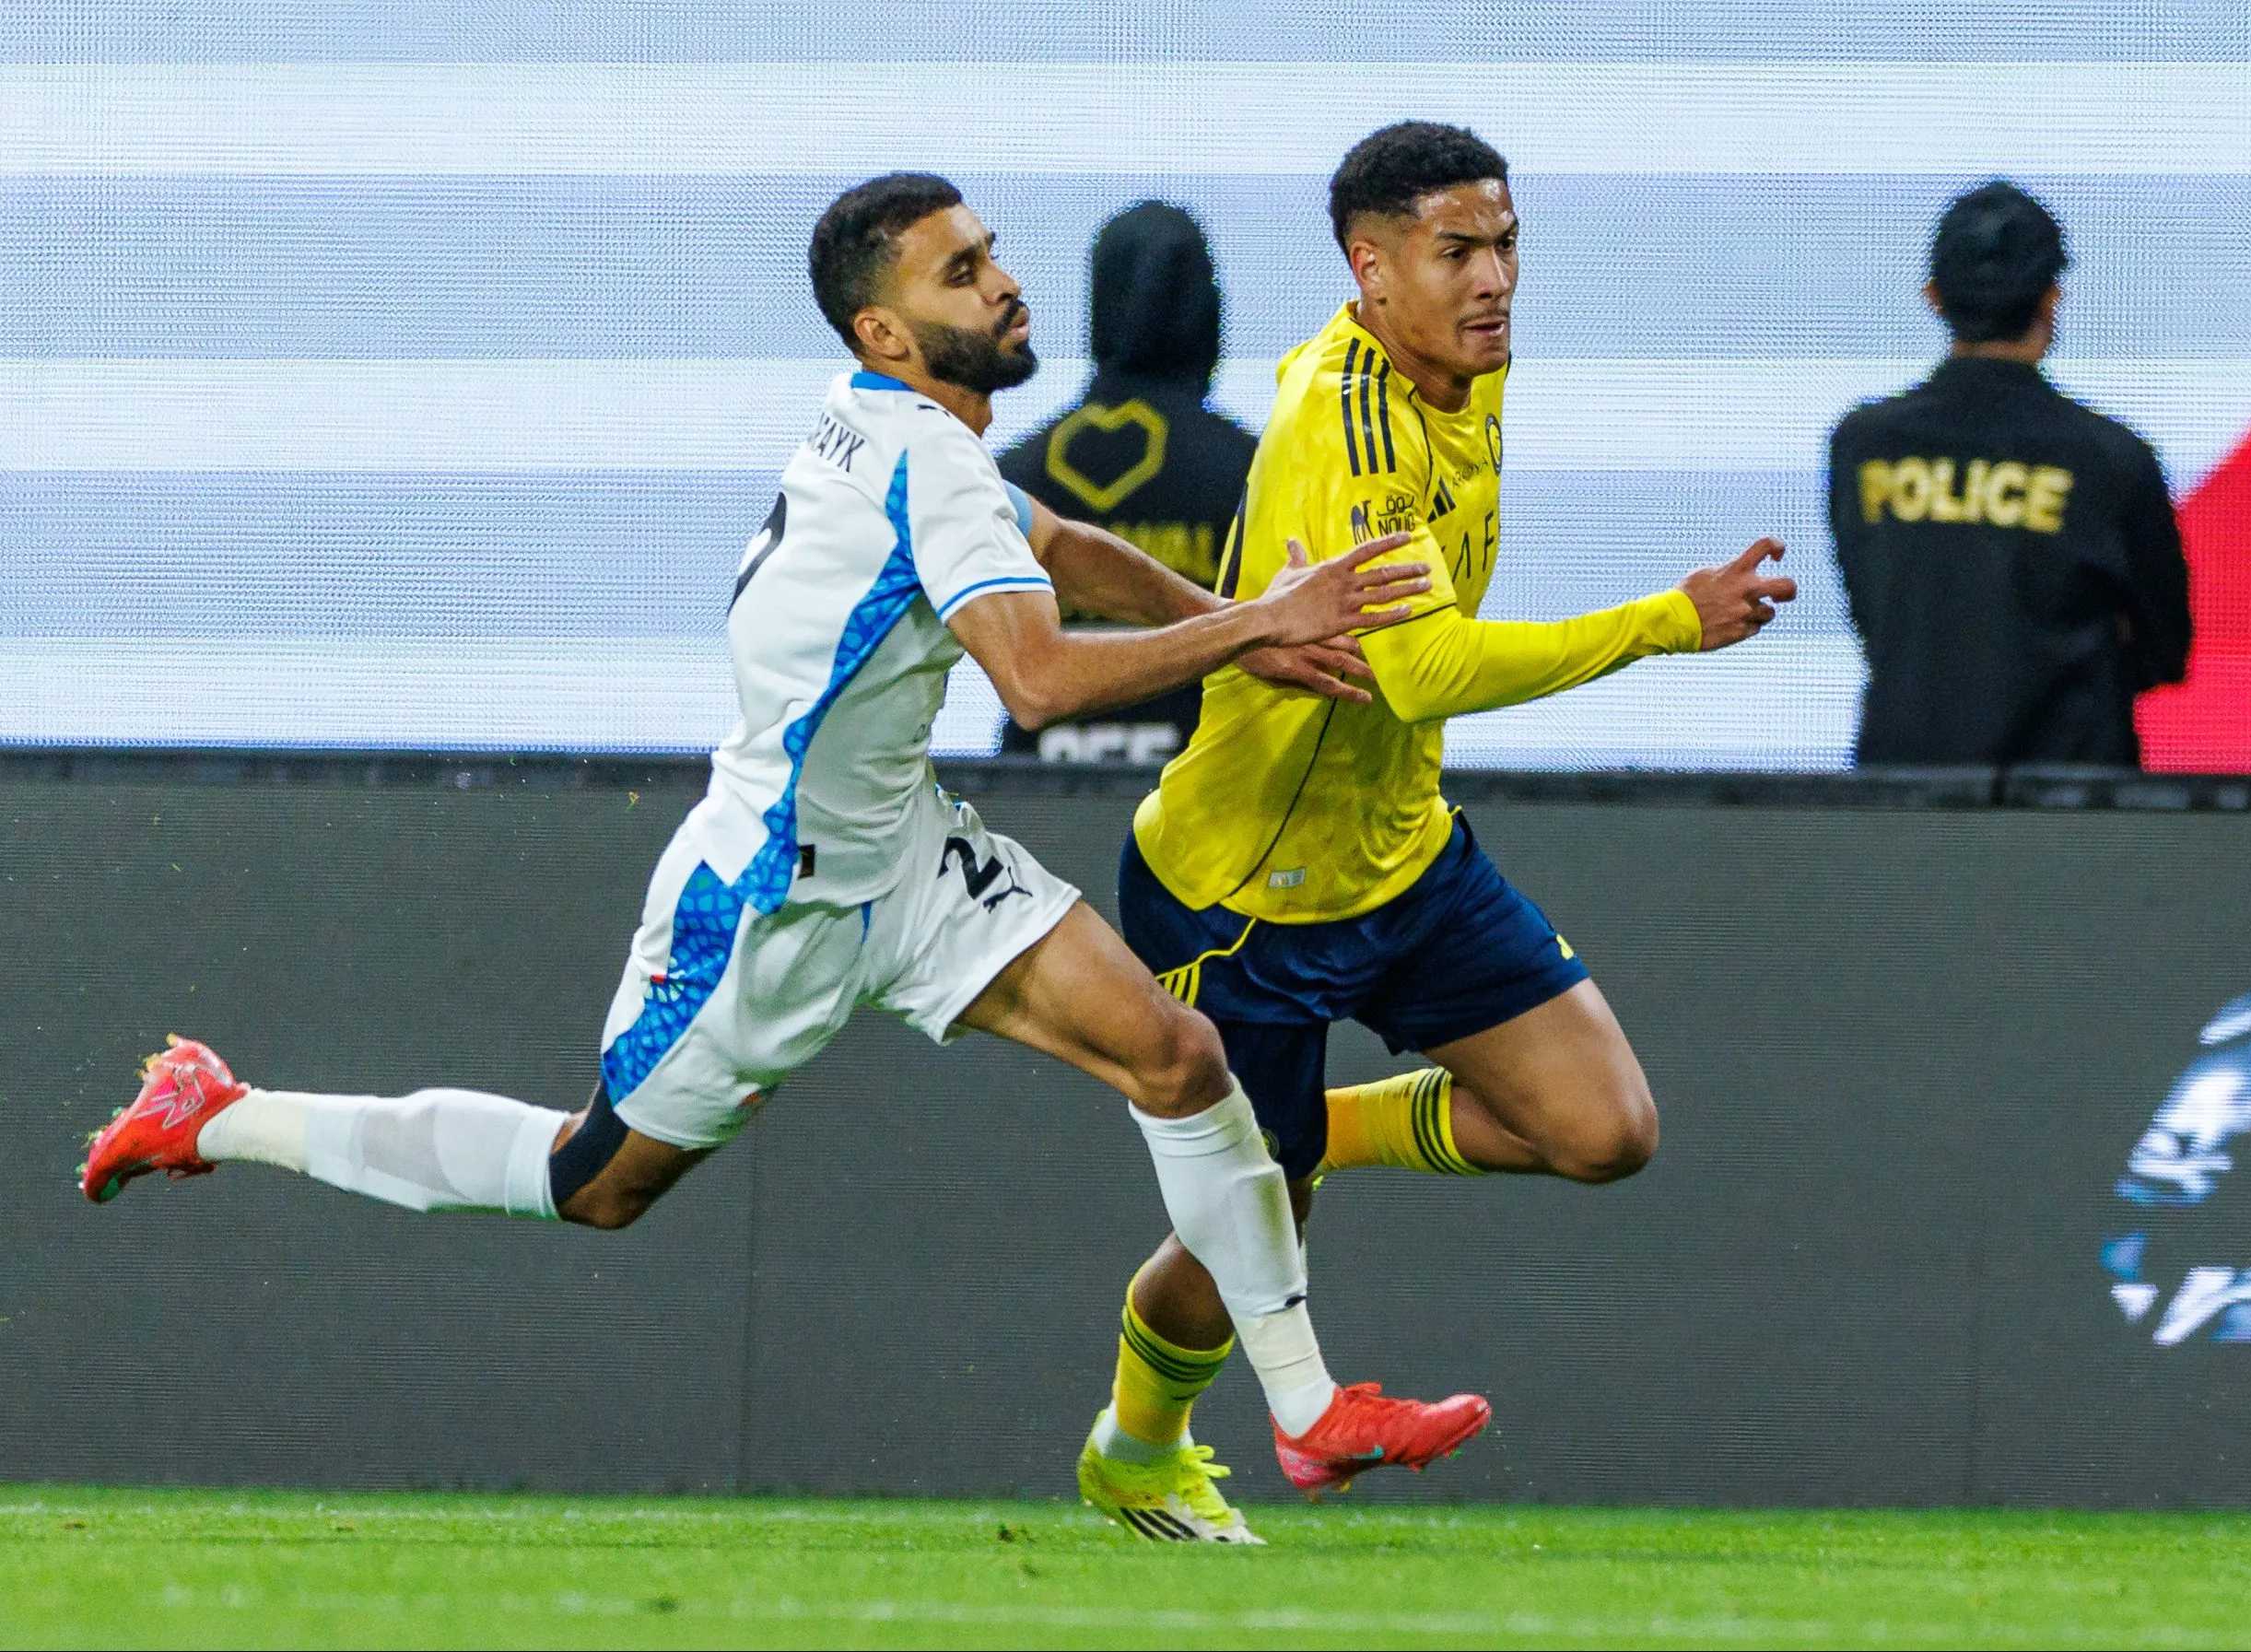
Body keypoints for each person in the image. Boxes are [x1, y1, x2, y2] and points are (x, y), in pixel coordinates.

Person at [76, 170, 1490, 1547]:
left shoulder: (890, 424)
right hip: (771, 896)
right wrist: (1258, 623)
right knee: (594, 1180)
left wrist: (1236, 623)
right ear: (883, 330)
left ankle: (1303, 1410)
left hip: (909, 855)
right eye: (961, 273)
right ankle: (220, 1113)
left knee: (1179, 1059)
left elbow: (1053, 537)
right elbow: (1042, 679)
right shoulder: (926, 458)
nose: (1004, 285)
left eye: (991, 254)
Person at [1073, 122, 1798, 1537]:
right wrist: (1665, 621)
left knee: (1604, 1129)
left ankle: (1313, 1136)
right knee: (1238, 1239)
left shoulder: (1464, 372)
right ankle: (1137, 1446)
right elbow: (1418, 668)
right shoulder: (1344, 421)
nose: (1495, 280)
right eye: (1457, 251)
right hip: (1245, 892)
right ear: (1372, 267)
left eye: (1506, 245)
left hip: (1402, 856)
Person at [1828, 180, 2190, 767]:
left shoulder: (1863, 447)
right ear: (2051, 298)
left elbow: (1880, 613)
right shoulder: (2110, 458)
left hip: (1903, 792)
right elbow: (2164, 647)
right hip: (2072, 798)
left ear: (1933, 297)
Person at [999, 201, 1258, 766]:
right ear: (1205, 310)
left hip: (1035, 790)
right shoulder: (1251, 468)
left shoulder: (1010, 476)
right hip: (1206, 783)